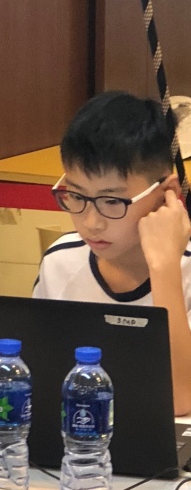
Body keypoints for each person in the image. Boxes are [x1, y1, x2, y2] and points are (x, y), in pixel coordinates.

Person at [33, 90, 191, 415]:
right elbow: (43, 376)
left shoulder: (184, 271)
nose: (92, 223)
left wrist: (164, 268)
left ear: (167, 194)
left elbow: (179, 398)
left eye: (112, 201)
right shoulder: (60, 261)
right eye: (77, 197)